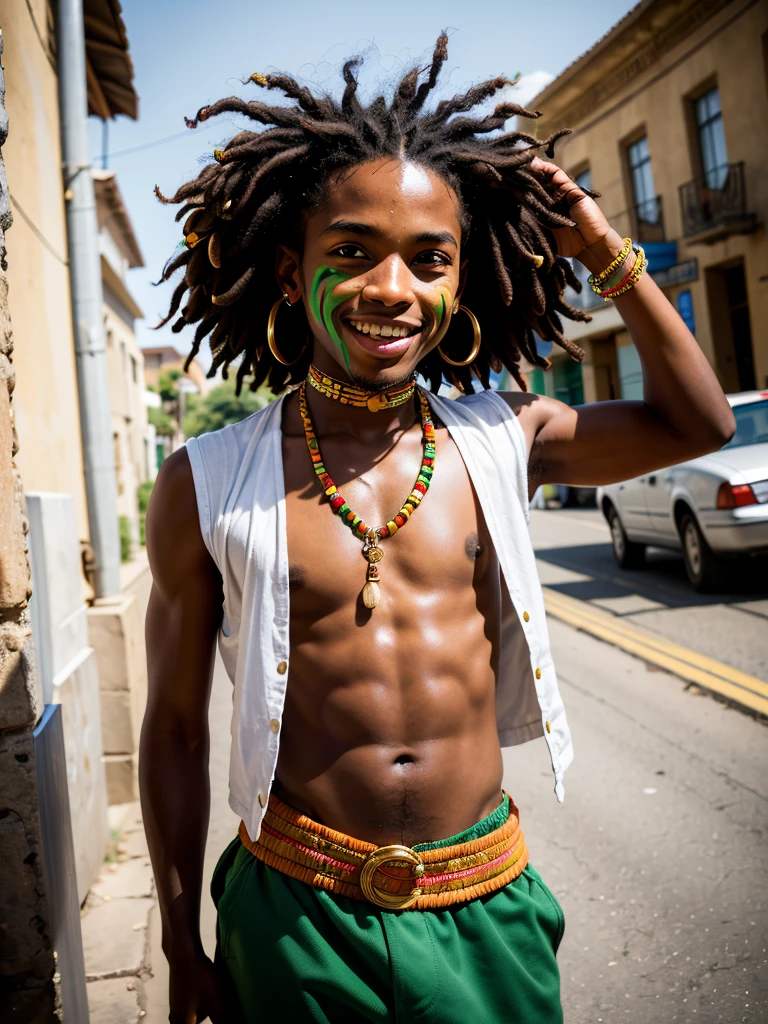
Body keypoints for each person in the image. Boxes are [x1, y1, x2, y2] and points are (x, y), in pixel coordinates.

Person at [140, 35, 735, 1024]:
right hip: (294, 910)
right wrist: (174, 937)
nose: (392, 289)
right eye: (352, 253)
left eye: (429, 259)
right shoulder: (205, 482)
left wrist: (600, 246)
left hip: (485, 905)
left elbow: (699, 421)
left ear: (459, 281)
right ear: (292, 275)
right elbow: (169, 726)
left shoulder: (505, 435)